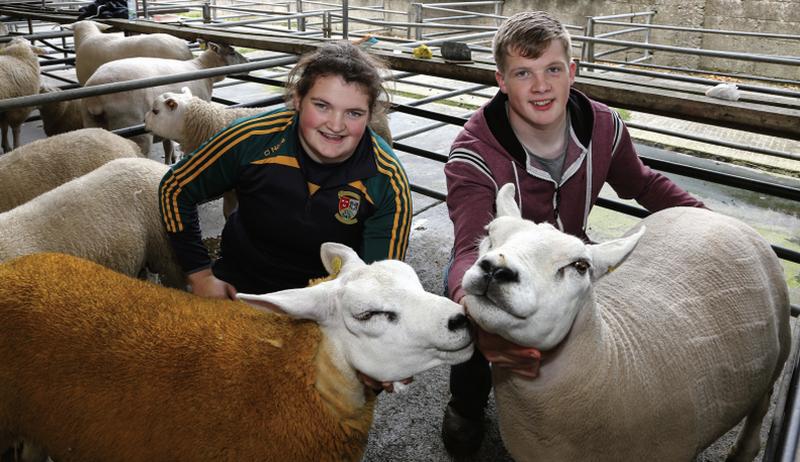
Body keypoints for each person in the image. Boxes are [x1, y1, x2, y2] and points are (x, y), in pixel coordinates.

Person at [441, 11, 705, 456]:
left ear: (572, 72)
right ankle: (466, 404)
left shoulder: (604, 126)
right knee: (477, 308)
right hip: (499, 258)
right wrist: (472, 310)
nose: (541, 86)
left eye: (553, 69)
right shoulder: (473, 155)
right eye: (523, 72)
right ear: (501, 81)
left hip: (565, 260)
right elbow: (469, 243)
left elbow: (640, 182)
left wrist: (707, 219)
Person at [158, 41, 412, 390]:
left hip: (323, 306)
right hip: (240, 287)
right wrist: (201, 276)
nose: (336, 125)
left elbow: (379, 280)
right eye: (321, 105)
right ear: (297, 100)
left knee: (305, 405)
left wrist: (376, 348)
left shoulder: (386, 180)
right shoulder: (253, 140)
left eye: (354, 113)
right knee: (220, 388)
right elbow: (176, 186)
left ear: (371, 116)